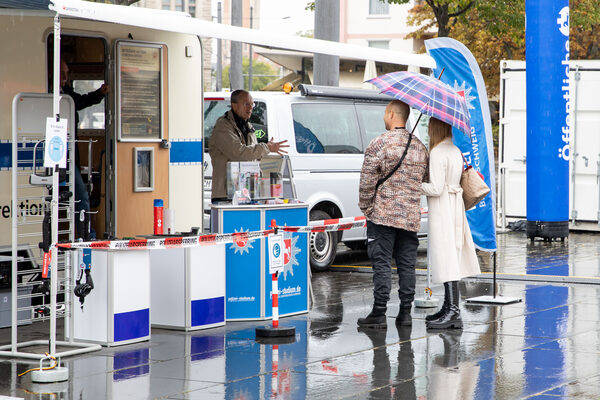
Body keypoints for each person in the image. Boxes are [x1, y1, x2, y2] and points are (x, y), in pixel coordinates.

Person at [357, 100, 429, 329]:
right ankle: (405, 313)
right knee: (407, 265)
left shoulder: (379, 144)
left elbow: (367, 182)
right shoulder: (419, 147)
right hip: (410, 218)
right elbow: (424, 179)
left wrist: (367, 208)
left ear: (390, 114)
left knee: (382, 264)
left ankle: (379, 313)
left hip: (382, 217)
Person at [421, 117, 481, 329]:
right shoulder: (455, 150)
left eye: (429, 127)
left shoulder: (437, 152)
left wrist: (417, 185)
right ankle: (449, 307)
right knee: (452, 257)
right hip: (455, 207)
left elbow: (436, 188)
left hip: (443, 209)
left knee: (446, 259)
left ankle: (453, 312)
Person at [208, 89, 289, 202]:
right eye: (246, 104)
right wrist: (266, 147)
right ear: (234, 105)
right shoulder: (223, 126)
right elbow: (239, 153)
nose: (250, 108)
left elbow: (253, 159)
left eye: (252, 104)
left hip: (247, 193)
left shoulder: (248, 126)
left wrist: (263, 193)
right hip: (226, 195)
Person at [60, 59, 109, 240]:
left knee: (78, 196)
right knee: (80, 197)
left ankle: (83, 234)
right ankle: (86, 236)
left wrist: (99, 94)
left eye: (67, 73)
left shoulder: (66, 93)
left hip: (69, 159)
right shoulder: (51, 92)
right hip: (60, 159)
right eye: (62, 73)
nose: (66, 77)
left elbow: (79, 102)